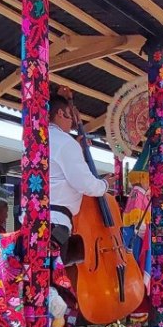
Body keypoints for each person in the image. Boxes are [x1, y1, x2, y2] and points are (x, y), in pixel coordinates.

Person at [47, 93, 112, 262]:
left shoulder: (35, 140)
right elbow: (86, 185)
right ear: (60, 113)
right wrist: (105, 184)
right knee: (52, 282)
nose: (72, 123)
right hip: (56, 223)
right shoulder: (64, 141)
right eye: (70, 117)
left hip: (32, 221)